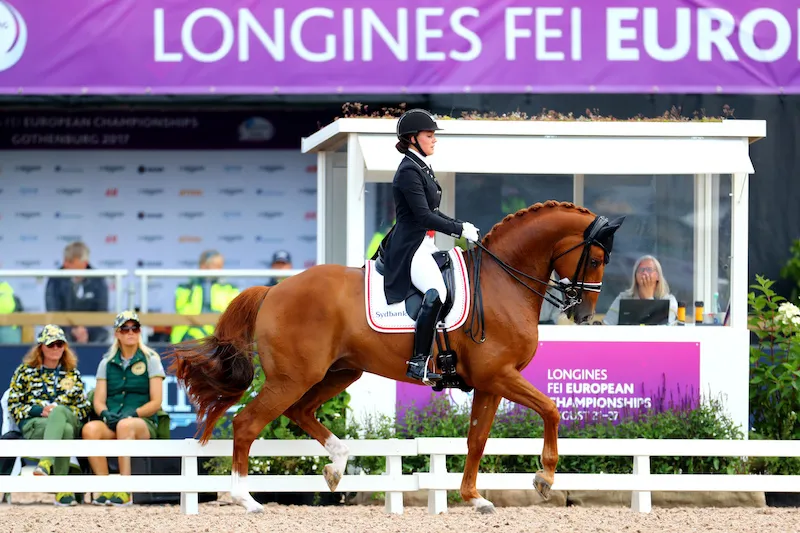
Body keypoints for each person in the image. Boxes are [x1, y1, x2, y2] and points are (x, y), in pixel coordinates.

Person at [381, 109, 480, 383]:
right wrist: (459, 229)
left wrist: (461, 225)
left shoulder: (421, 165)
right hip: (410, 246)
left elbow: (432, 211)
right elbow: (424, 216)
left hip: (424, 242)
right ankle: (418, 361)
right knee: (437, 292)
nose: (434, 139)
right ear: (412, 138)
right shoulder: (408, 171)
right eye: (429, 135)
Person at [82, 311, 166, 506]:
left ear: (139, 332)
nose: (130, 332)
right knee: (90, 429)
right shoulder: (106, 363)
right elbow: (99, 400)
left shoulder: (151, 359)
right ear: (117, 334)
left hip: (142, 423)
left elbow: (156, 402)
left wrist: (133, 413)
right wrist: (104, 414)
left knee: (125, 426)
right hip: (114, 421)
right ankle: (106, 488)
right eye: (125, 329)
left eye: (134, 328)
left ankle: (125, 489)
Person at [6, 324, 90, 506]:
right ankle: (62, 490)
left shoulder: (72, 374)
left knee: (60, 413)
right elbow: (13, 405)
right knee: (65, 430)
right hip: (35, 425)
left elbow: (83, 408)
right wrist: (39, 411)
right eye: (51, 344)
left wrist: (59, 413)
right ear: (41, 347)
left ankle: (46, 462)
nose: (55, 348)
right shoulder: (24, 372)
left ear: (65, 347)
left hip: (66, 418)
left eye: (59, 344)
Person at [170, 250, 240, 343]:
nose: (220, 270)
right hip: (188, 340)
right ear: (203, 266)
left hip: (221, 341)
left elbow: (234, 314)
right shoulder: (186, 288)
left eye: (221, 266)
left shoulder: (230, 288)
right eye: (217, 266)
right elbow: (183, 311)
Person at [45, 241, 109, 343]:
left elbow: (101, 312)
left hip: (92, 331)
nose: (65, 264)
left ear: (84, 263)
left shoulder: (98, 279)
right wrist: (73, 330)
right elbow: (53, 311)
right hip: (64, 330)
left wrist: (85, 330)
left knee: (102, 334)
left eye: (70, 261)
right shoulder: (55, 279)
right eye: (65, 260)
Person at [602, 255, 679, 325]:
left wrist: (648, 298)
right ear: (635, 276)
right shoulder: (623, 298)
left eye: (649, 269)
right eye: (641, 270)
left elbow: (664, 332)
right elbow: (607, 325)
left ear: (658, 276)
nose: (644, 273)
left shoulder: (669, 301)